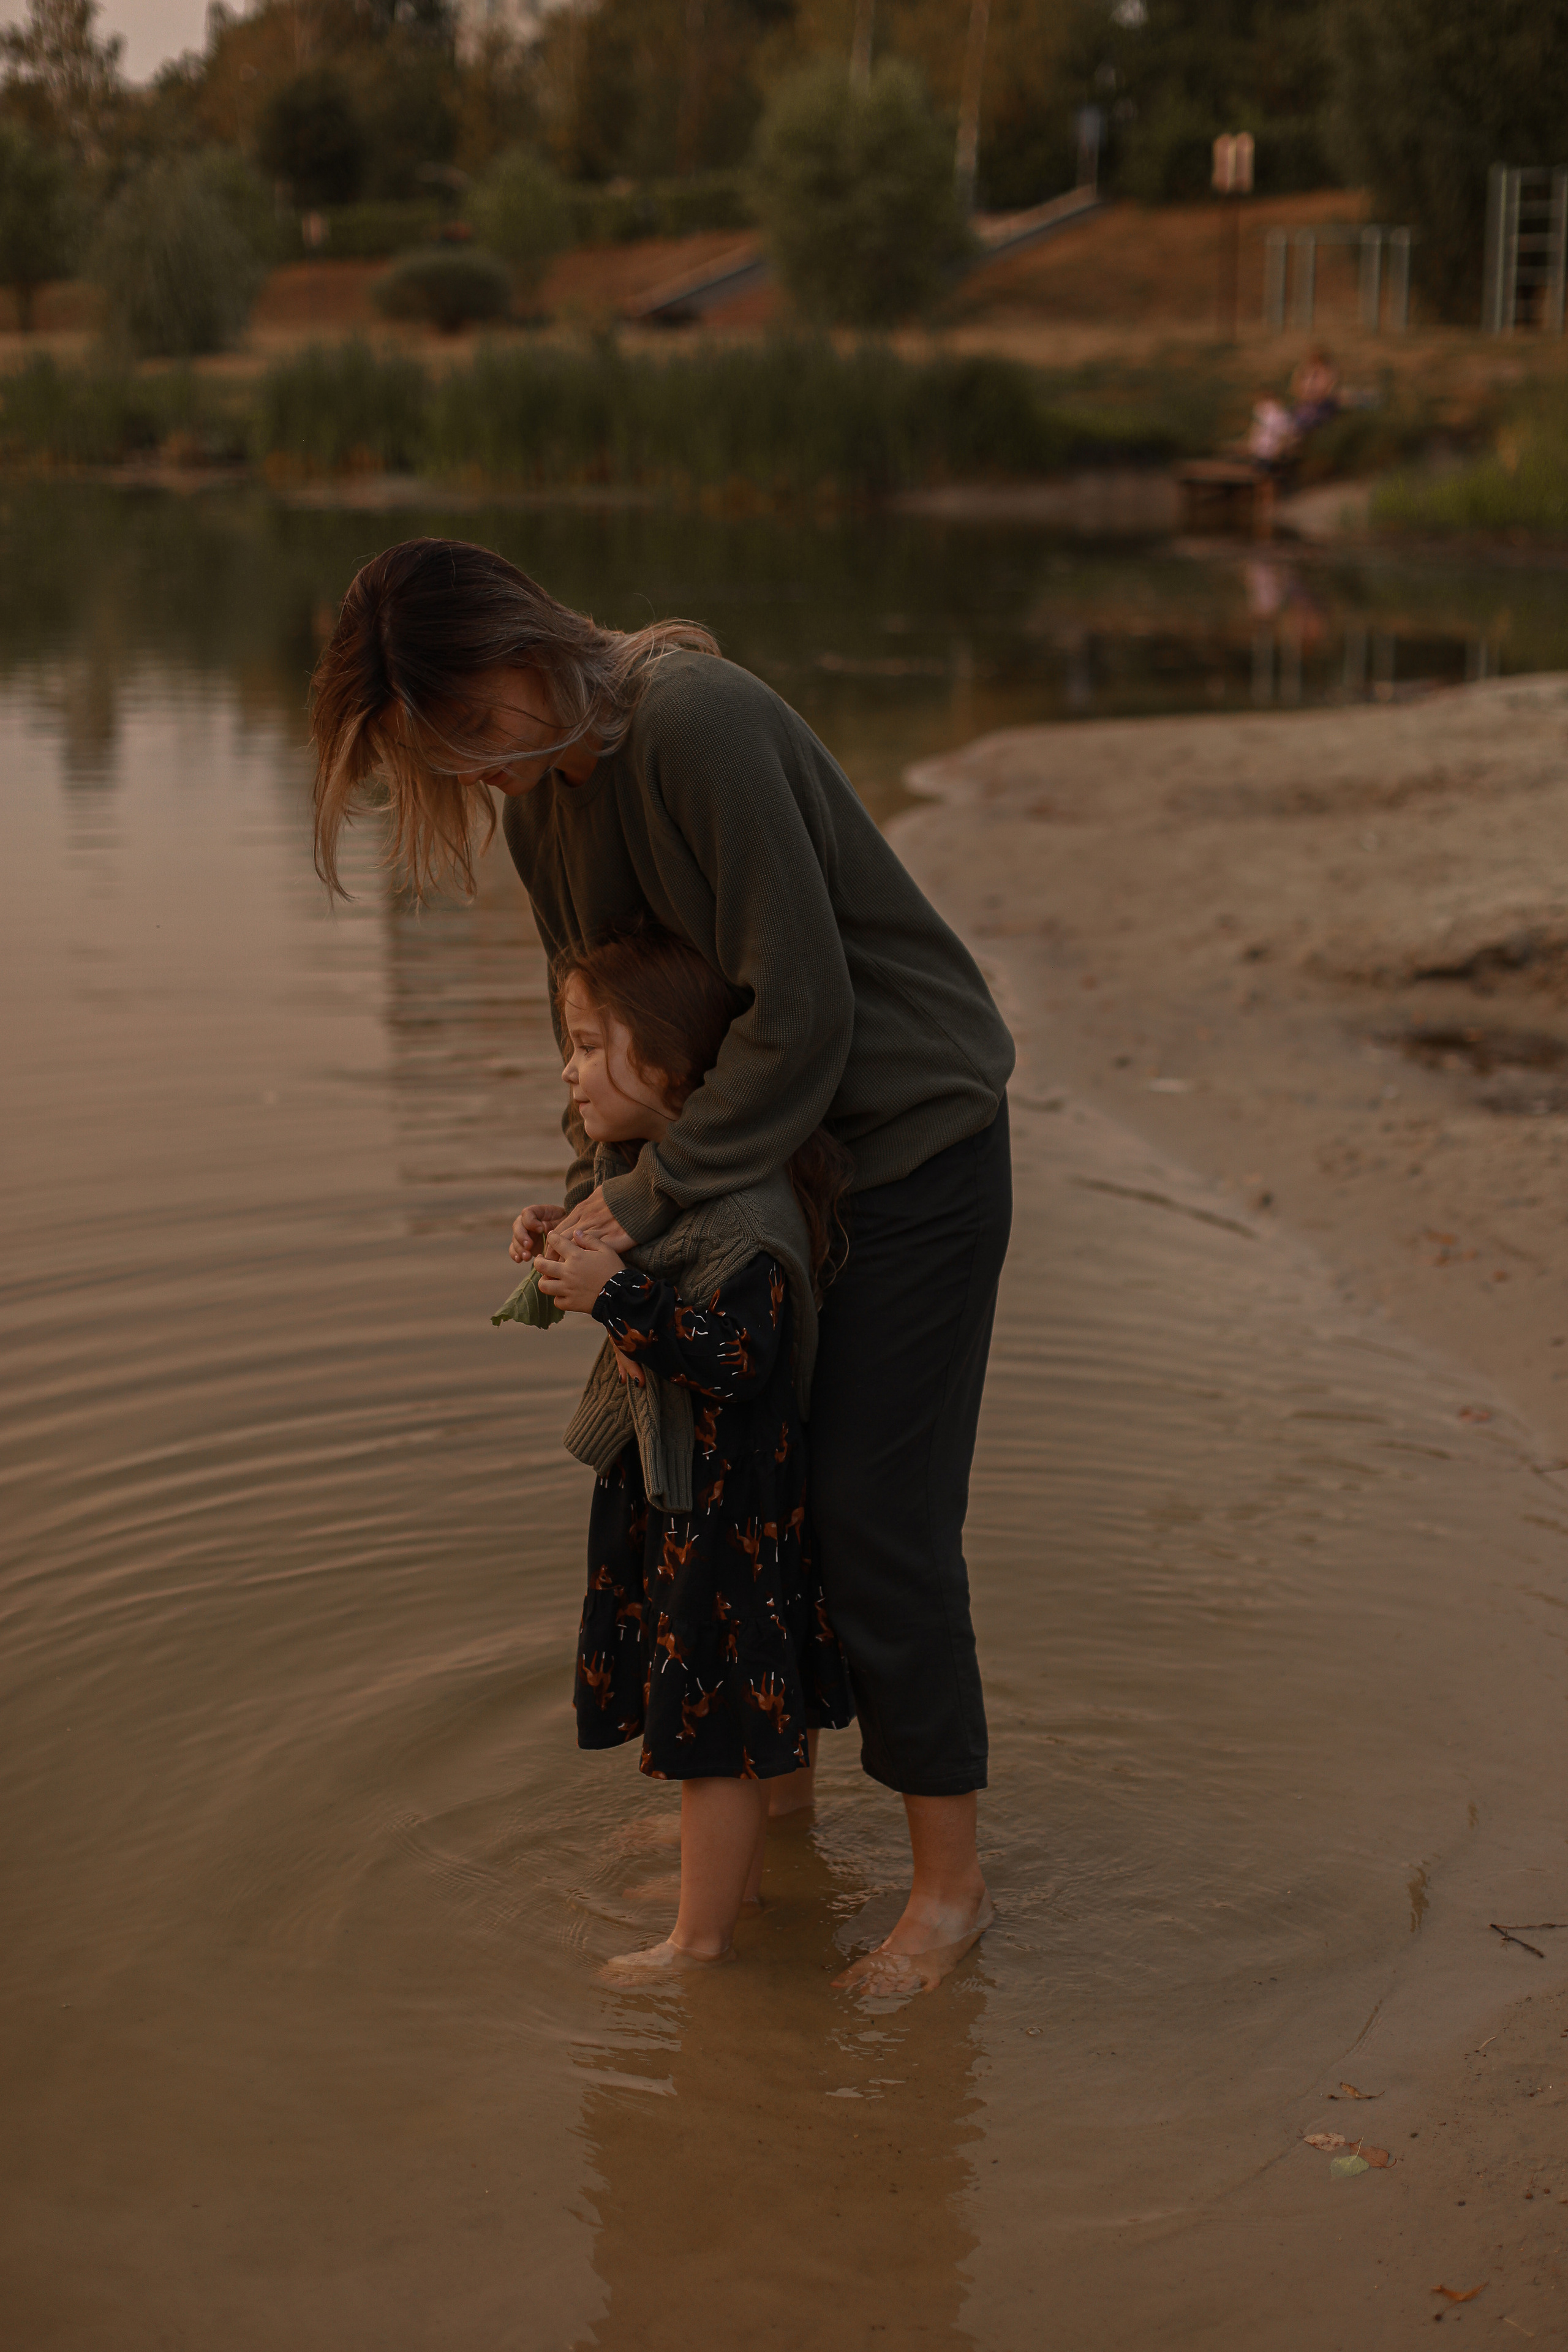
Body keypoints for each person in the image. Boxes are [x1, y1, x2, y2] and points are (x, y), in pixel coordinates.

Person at [309, 538, 1015, 1997]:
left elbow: (803, 1015)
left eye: (476, 733)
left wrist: (643, 1206)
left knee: (877, 1522)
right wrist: (583, 1203)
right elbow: (602, 1035)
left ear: (521, 650)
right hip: (762, 1174)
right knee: (772, 1514)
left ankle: (949, 1892)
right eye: (444, 759)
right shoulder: (535, 808)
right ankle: (777, 1828)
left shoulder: (692, 722)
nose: (480, 773)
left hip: (905, 1148)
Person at [520, 923, 856, 1975]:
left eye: (585, 1044)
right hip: (686, 1499)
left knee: (715, 1732)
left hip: (732, 1511)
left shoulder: (745, 1217)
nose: (569, 1070)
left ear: (665, 1064)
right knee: (724, 1713)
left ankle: (699, 1940)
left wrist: (617, 1296)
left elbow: (738, 1360)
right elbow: (636, 1262)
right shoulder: (644, 1180)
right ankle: (741, 1883)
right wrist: (556, 1235)